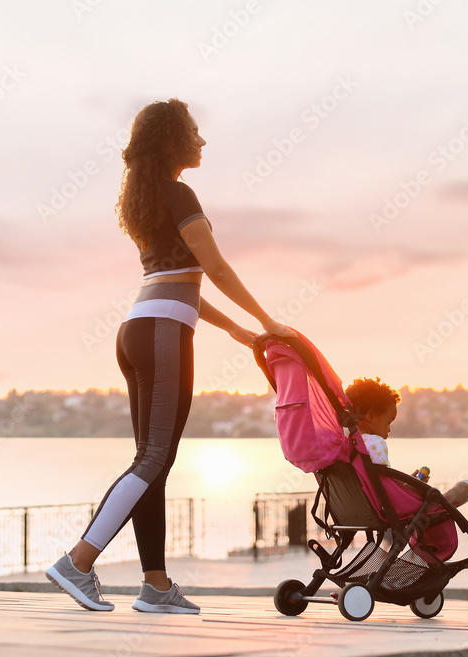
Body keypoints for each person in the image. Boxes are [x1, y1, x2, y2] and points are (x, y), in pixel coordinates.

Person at [45, 98, 296, 614]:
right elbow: (217, 268)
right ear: (171, 141)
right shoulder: (179, 194)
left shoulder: (149, 199)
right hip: (161, 334)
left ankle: (155, 586)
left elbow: (184, 284)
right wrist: (270, 322)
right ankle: (78, 561)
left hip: (139, 328)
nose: (202, 141)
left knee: (153, 463)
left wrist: (238, 332)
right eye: (194, 133)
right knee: (154, 458)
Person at [344, 377, 468, 507]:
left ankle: (436, 502)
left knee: (415, 485)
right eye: (388, 422)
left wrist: (405, 481)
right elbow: (386, 492)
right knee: (423, 492)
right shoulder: (374, 443)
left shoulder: (347, 445)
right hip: (389, 507)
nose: (389, 430)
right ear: (370, 416)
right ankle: (441, 506)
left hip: (359, 507)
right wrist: (412, 486)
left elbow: (379, 481)